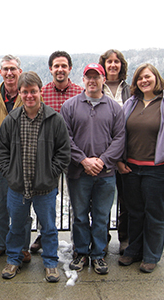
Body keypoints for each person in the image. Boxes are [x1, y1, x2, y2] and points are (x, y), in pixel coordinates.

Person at [117, 63, 164, 273]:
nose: (144, 81)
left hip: (160, 170)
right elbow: (121, 134)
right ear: (136, 83)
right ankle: (134, 250)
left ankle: (151, 255)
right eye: (140, 78)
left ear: (156, 78)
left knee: (155, 213)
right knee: (135, 212)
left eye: (147, 77)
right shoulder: (130, 104)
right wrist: (119, 160)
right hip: (132, 169)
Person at [0, 71, 70, 282]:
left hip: (44, 188)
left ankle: (50, 263)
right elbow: (1, 150)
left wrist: (51, 173)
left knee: (48, 228)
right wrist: (9, 173)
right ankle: (13, 259)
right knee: (16, 227)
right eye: (25, 91)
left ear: (40, 92)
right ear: (19, 93)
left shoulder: (54, 119)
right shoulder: (11, 120)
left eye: (33, 91)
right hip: (18, 186)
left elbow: (64, 153)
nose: (29, 96)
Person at [60, 63, 125, 275]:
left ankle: (98, 254)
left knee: (101, 216)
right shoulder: (69, 106)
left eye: (96, 77)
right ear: (83, 79)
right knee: (79, 215)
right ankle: (81, 252)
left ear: (103, 79)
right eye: (88, 77)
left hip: (105, 174)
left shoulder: (115, 108)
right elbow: (65, 138)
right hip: (78, 173)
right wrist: (84, 161)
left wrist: (102, 161)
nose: (92, 81)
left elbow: (120, 138)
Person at [31, 50, 84, 253]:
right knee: (46, 199)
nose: (60, 69)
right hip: (48, 156)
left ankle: (77, 242)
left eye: (64, 66)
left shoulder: (80, 93)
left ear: (70, 68)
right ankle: (44, 235)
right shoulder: (42, 93)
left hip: (75, 155)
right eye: (56, 66)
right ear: (51, 69)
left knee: (77, 201)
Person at [0, 55, 31, 262]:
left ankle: (23, 247)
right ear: (0, 72)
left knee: (22, 203)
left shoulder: (27, 94)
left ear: (19, 71)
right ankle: (0, 244)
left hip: (23, 159)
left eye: (13, 68)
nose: (9, 73)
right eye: (5, 69)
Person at [99, 49, 131, 254]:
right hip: (102, 156)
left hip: (127, 155)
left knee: (126, 201)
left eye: (116, 61)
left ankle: (125, 239)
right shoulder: (96, 87)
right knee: (101, 204)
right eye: (108, 61)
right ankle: (102, 238)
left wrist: (121, 158)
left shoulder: (130, 90)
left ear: (121, 65)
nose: (112, 65)